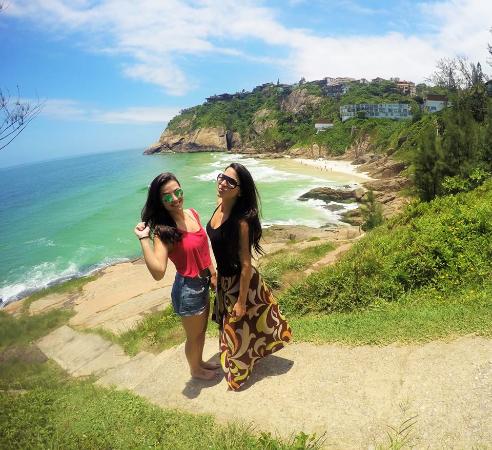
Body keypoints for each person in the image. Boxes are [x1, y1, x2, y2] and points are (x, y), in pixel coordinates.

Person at [206, 163, 292, 390]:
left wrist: (242, 301)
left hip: (241, 282)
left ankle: (238, 377)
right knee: (239, 328)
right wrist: (214, 274)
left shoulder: (241, 222)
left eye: (230, 181)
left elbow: (246, 264)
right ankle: (246, 362)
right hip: (224, 282)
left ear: (240, 190)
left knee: (238, 330)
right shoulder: (219, 205)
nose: (222, 182)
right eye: (222, 177)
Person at [134, 172, 218, 380]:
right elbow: (158, 272)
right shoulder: (164, 232)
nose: (175, 199)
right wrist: (144, 239)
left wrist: (213, 273)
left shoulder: (192, 213)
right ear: (160, 201)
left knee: (202, 331)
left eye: (177, 192)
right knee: (193, 335)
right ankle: (195, 370)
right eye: (167, 196)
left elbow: (203, 249)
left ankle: (200, 362)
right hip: (187, 289)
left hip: (204, 281)